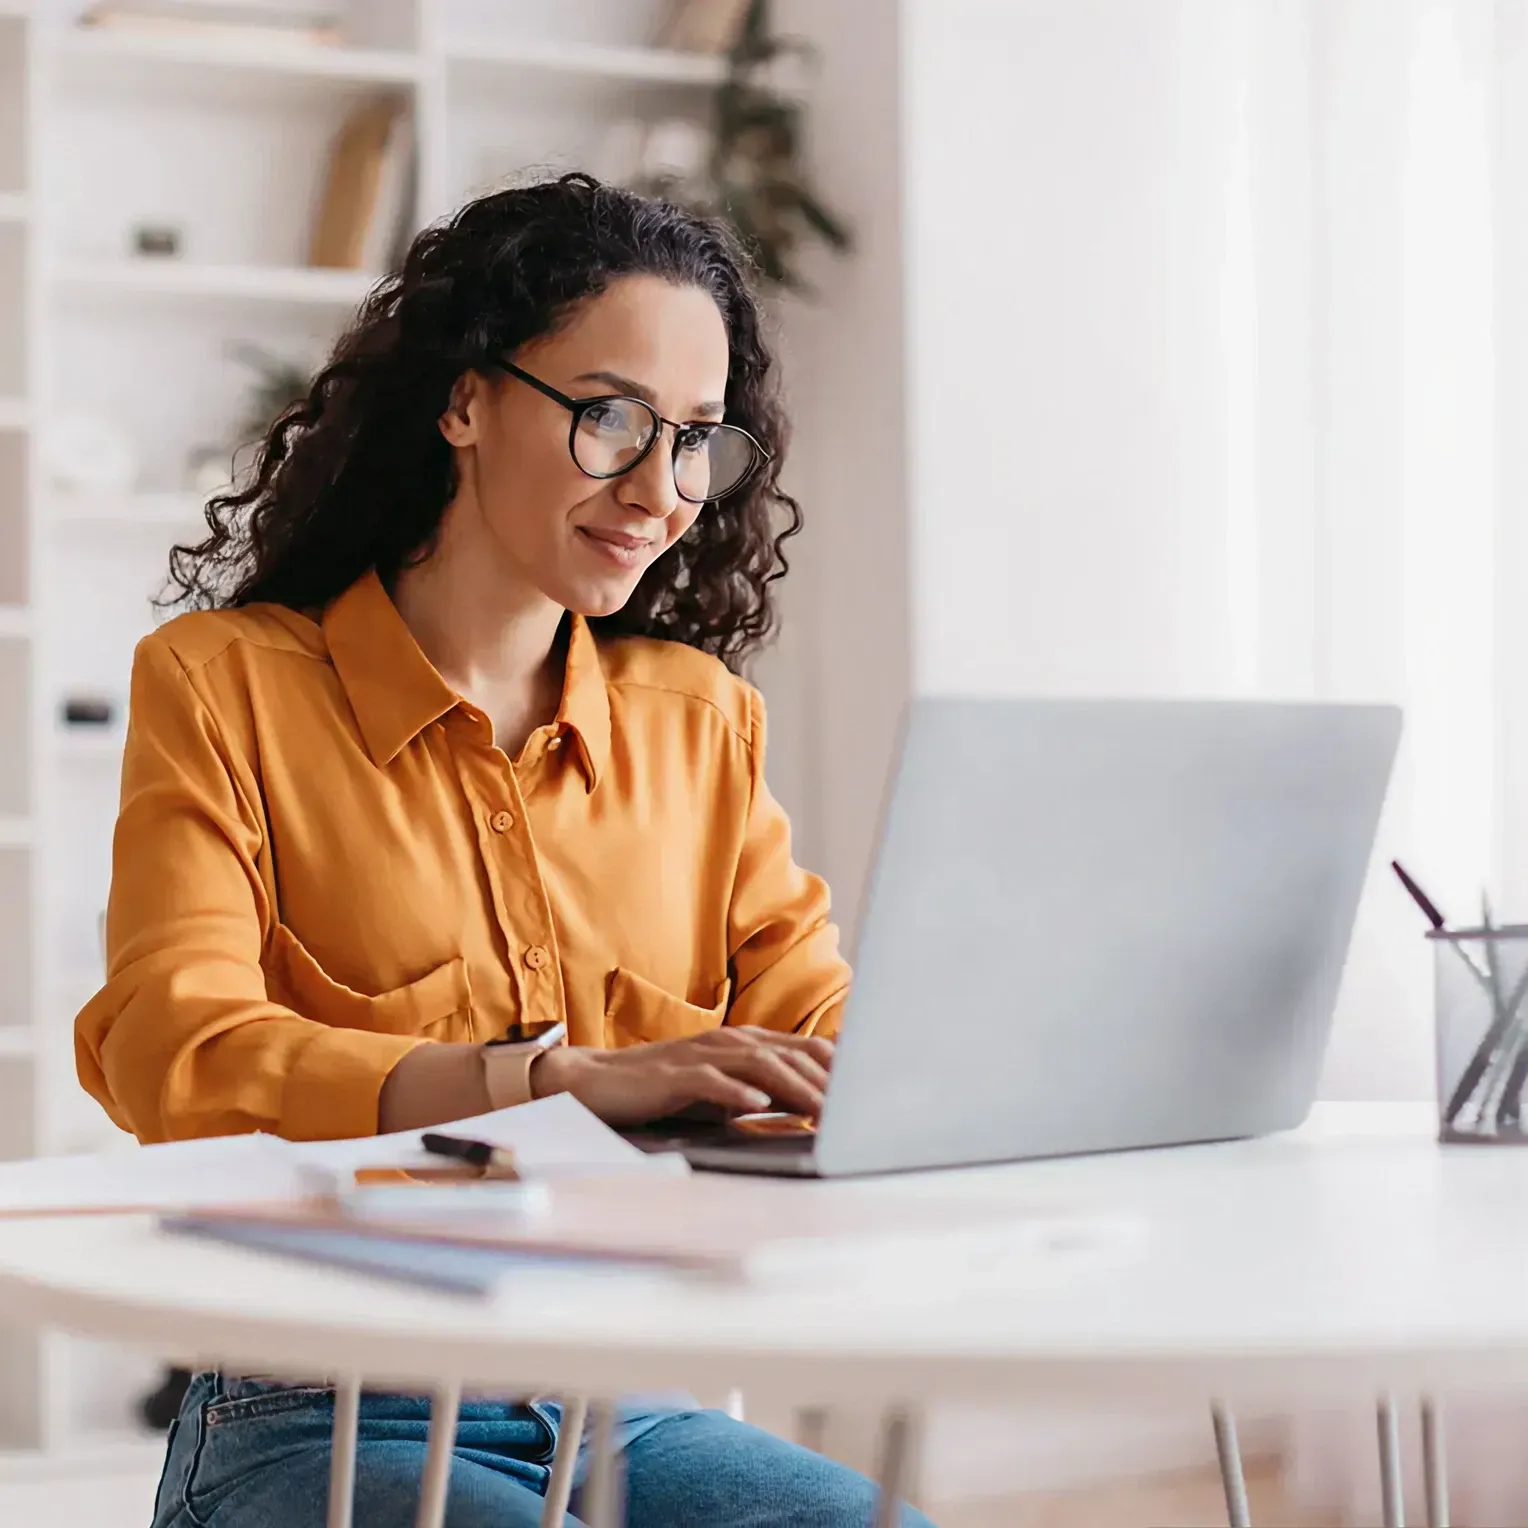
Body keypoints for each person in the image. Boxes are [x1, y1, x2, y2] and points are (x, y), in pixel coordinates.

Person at [74, 173, 936, 1528]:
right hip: (317, 1406)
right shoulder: (225, 685)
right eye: (611, 418)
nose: (661, 489)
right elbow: (168, 1048)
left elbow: (816, 1035)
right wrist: (551, 1080)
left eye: (697, 438)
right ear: (465, 399)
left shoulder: (699, 726)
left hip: (633, 1399)